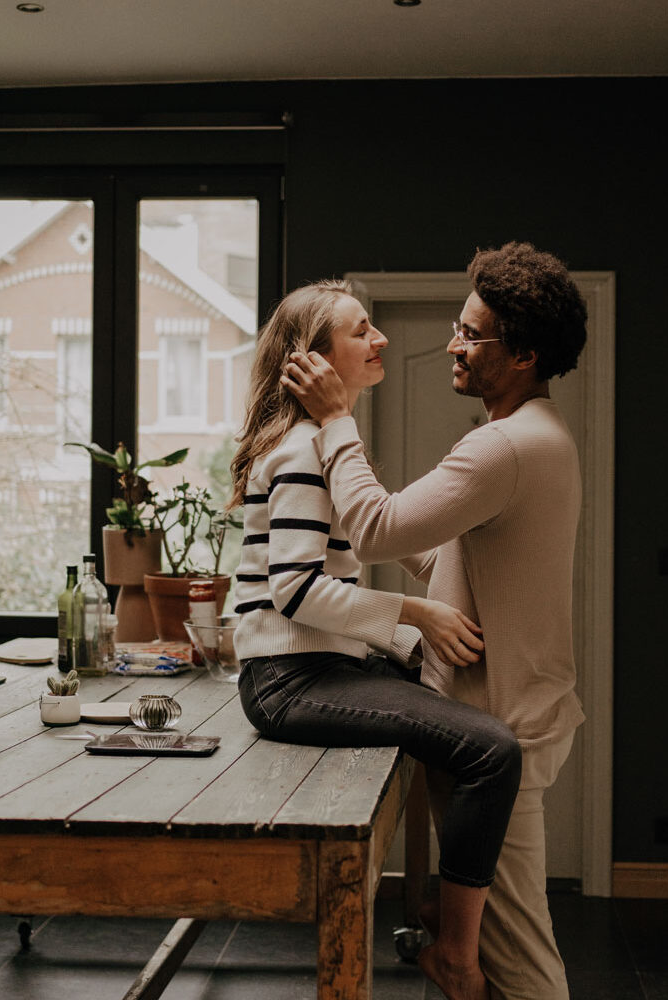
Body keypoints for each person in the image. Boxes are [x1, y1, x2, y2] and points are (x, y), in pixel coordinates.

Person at [280, 242, 588, 1000]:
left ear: (526, 355)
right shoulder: (534, 437)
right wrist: (415, 598)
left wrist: (335, 420)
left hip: (502, 719)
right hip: (504, 711)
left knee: (522, 963)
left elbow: (380, 531)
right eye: (458, 325)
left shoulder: (506, 446)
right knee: (489, 950)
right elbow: (444, 560)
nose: (454, 344)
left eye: (473, 335)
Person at [228, 279, 523, 1000]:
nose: (379, 339)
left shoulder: (316, 444)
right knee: (493, 751)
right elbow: (296, 593)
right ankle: (455, 951)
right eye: (362, 330)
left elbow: (371, 541)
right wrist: (417, 617)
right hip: (291, 683)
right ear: (316, 362)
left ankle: (438, 903)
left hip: (322, 669)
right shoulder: (301, 452)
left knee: (464, 724)